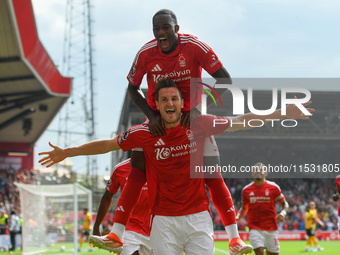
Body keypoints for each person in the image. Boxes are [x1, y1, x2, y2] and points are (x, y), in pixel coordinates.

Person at [38, 79, 314, 255]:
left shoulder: (201, 125)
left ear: (182, 104)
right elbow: (109, 144)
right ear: (156, 105)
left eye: (174, 99)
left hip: (198, 219)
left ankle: (233, 238)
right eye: (164, 99)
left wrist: (281, 113)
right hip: (163, 223)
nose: (170, 103)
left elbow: (242, 120)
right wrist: (68, 152)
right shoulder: (143, 133)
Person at [126, 9, 245, 253]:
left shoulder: (194, 46)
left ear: (176, 28)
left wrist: (199, 109)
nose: (161, 32)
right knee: (137, 169)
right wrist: (151, 116)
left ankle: (234, 238)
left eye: (165, 27)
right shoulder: (145, 54)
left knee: (212, 174)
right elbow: (131, 89)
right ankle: (117, 233)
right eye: (156, 28)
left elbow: (225, 80)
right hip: (159, 123)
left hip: (193, 124)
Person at [92, 158, 152, 255]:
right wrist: (97, 225)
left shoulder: (159, 165)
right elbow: (107, 197)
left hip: (154, 229)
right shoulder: (120, 168)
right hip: (127, 229)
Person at [235, 162, 289, 255]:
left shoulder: (274, 187)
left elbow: (285, 204)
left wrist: (283, 213)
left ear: (266, 173)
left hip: (271, 228)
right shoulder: (246, 190)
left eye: (261, 170)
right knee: (259, 252)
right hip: (254, 228)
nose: (258, 172)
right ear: (252, 173)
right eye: (256, 170)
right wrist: (237, 217)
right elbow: (244, 208)